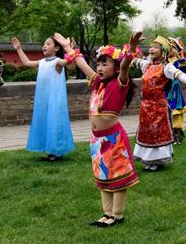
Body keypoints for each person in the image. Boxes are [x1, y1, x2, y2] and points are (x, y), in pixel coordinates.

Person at [55, 32, 141, 227]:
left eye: (105, 64)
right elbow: (81, 63)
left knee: (118, 178)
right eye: (99, 64)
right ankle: (106, 213)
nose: (100, 68)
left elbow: (126, 66)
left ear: (116, 67)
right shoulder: (96, 83)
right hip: (97, 140)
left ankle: (117, 215)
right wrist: (67, 48)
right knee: (103, 177)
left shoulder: (120, 83)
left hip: (113, 139)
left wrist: (132, 49)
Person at [130, 36, 186, 171]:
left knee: (157, 133)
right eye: (151, 46)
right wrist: (132, 47)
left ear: (163, 51)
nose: (151, 49)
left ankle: (156, 162)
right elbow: (132, 59)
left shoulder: (166, 67)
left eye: (156, 47)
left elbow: (179, 74)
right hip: (145, 106)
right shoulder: (147, 65)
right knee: (147, 132)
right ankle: (148, 161)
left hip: (158, 107)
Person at [11, 36, 74, 161]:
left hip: (55, 100)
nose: (44, 46)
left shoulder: (57, 62)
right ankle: (51, 151)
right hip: (43, 100)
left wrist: (70, 48)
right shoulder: (41, 62)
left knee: (55, 123)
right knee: (46, 123)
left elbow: (69, 63)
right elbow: (27, 63)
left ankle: (57, 152)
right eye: (44, 43)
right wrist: (18, 49)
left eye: (48, 43)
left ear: (56, 48)